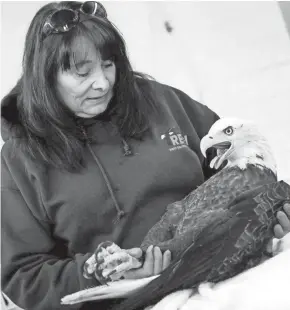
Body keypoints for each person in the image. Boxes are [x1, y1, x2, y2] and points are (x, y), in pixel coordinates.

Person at [1, 1, 290, 310]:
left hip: (226, 274)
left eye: (109, 64)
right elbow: (23, 277)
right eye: (82, 73)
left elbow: (239, 172)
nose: (102, 83)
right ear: (44, 76)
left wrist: (267, 215)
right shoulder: (20, 161)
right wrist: (102, 271)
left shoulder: (162, 102)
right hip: (132, 300)